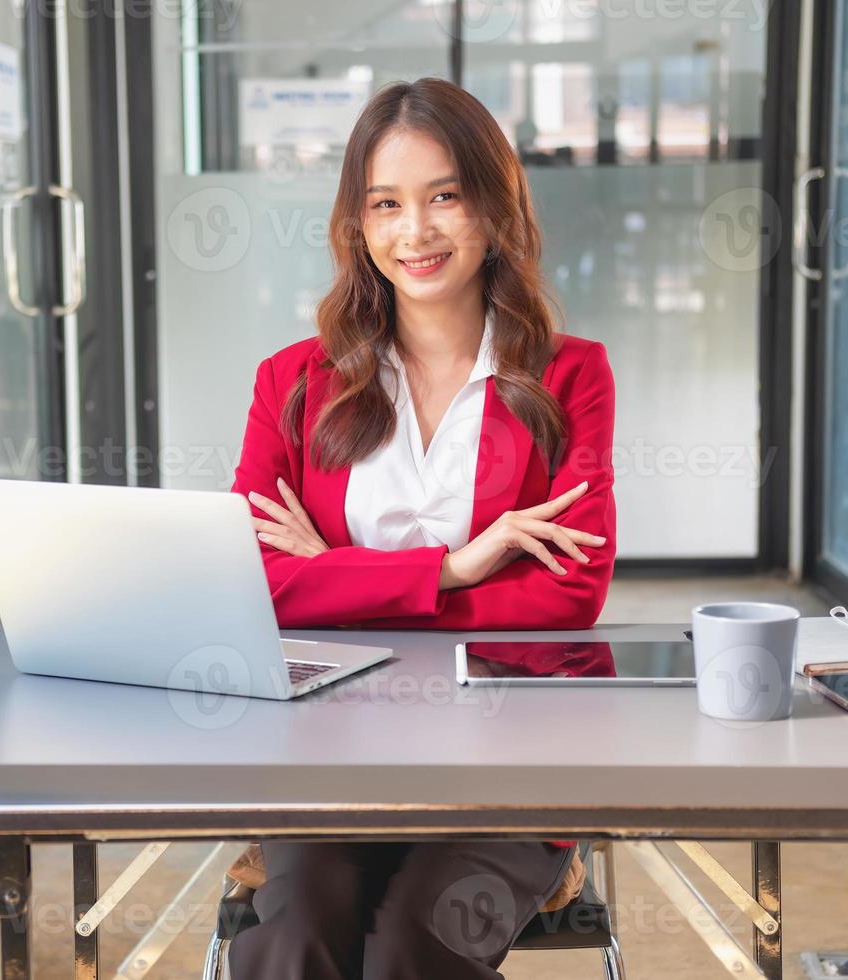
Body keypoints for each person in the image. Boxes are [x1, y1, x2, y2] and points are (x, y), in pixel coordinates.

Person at [226, 77, 617, 979]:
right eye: (386, 204)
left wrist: (337, 577)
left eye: (445, 196)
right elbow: (247, 579)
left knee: (415, 942)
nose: (417, 231)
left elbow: (565, 598)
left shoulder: (568, 379)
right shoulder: (291, 381)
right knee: (295, 940)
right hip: (331, 752)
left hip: (514, 755)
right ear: (357, 225)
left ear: (494, 206)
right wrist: (451, 571)